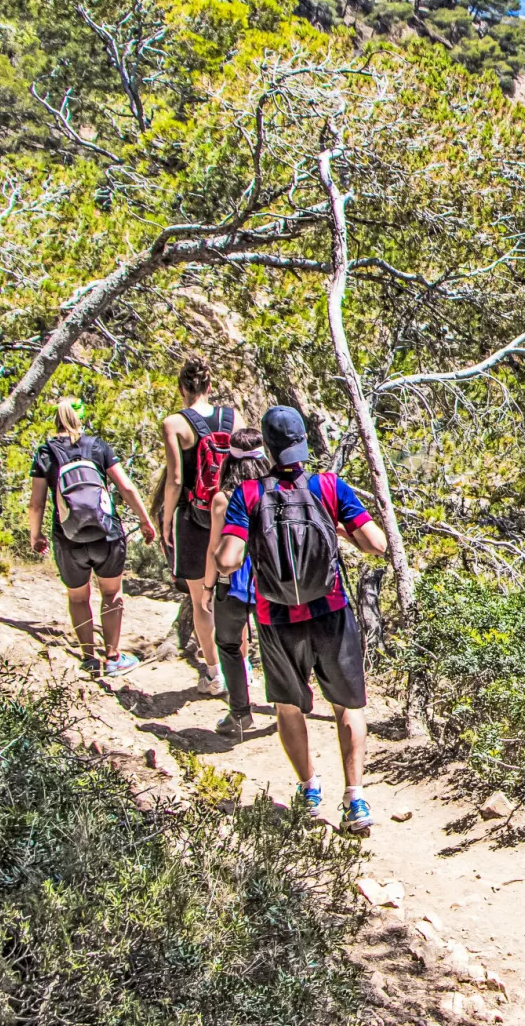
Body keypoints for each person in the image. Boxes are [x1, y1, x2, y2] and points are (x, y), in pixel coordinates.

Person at [214, 405, 386, 833]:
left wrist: (230, 548)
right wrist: (342, 532)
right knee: (347, 706)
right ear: (303, 442)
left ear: (268, 449)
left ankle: (309, 790)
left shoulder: (248, 494)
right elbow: (377, 544)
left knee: (289, 707)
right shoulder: (329, 486)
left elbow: (228, 560)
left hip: (276, 617)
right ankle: (355, 799)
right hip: (331, 610)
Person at [28, 401, 157, 675]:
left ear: (56, 420)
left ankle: (88, 658)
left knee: (77, 598)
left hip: (68, 537)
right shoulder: (97, 446)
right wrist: (145, 520)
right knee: (111, 594)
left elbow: (36, 503)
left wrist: (35, 535)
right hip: (106, 535)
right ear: (81, 418)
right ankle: (112, 657)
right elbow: (126, 487)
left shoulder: (45, 452)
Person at [161, 356, 243, 697]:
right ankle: (242, 668)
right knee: (234, 596)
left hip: (194, 517)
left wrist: (167, 519)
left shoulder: (174, 423)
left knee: (200, 601)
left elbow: (175, 479)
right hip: (231, 516)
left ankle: (214, 673)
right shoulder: (234, 418)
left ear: (182, 388)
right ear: (210, 386)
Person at [204, 427, 269, 738]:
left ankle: (240, 714)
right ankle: (291, 707)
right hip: (270, 579)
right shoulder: (274, 491)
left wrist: (207, 588)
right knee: (275, 644)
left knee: (229, 644)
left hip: (231, 581)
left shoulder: (223, 498)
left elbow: (214, 549)